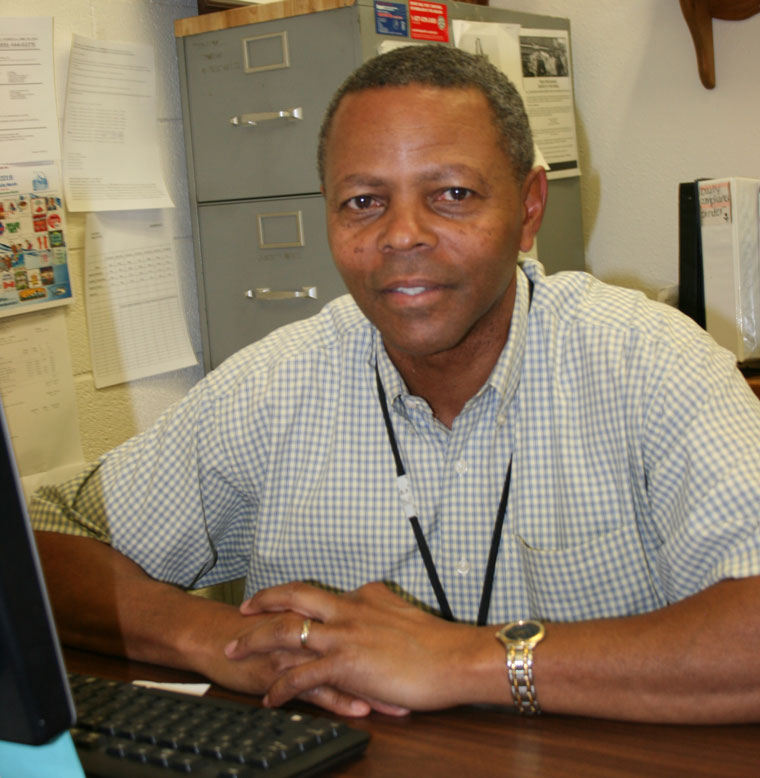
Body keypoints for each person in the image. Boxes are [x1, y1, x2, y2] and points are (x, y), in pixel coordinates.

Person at [31, 45, 760, 723]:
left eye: (451, 194)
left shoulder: (649, 363)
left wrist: (463, 661)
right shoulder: (277, 384)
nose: (401, 235)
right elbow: (42, 544)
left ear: (530, 207)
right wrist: (214, 639)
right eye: (363, 202)